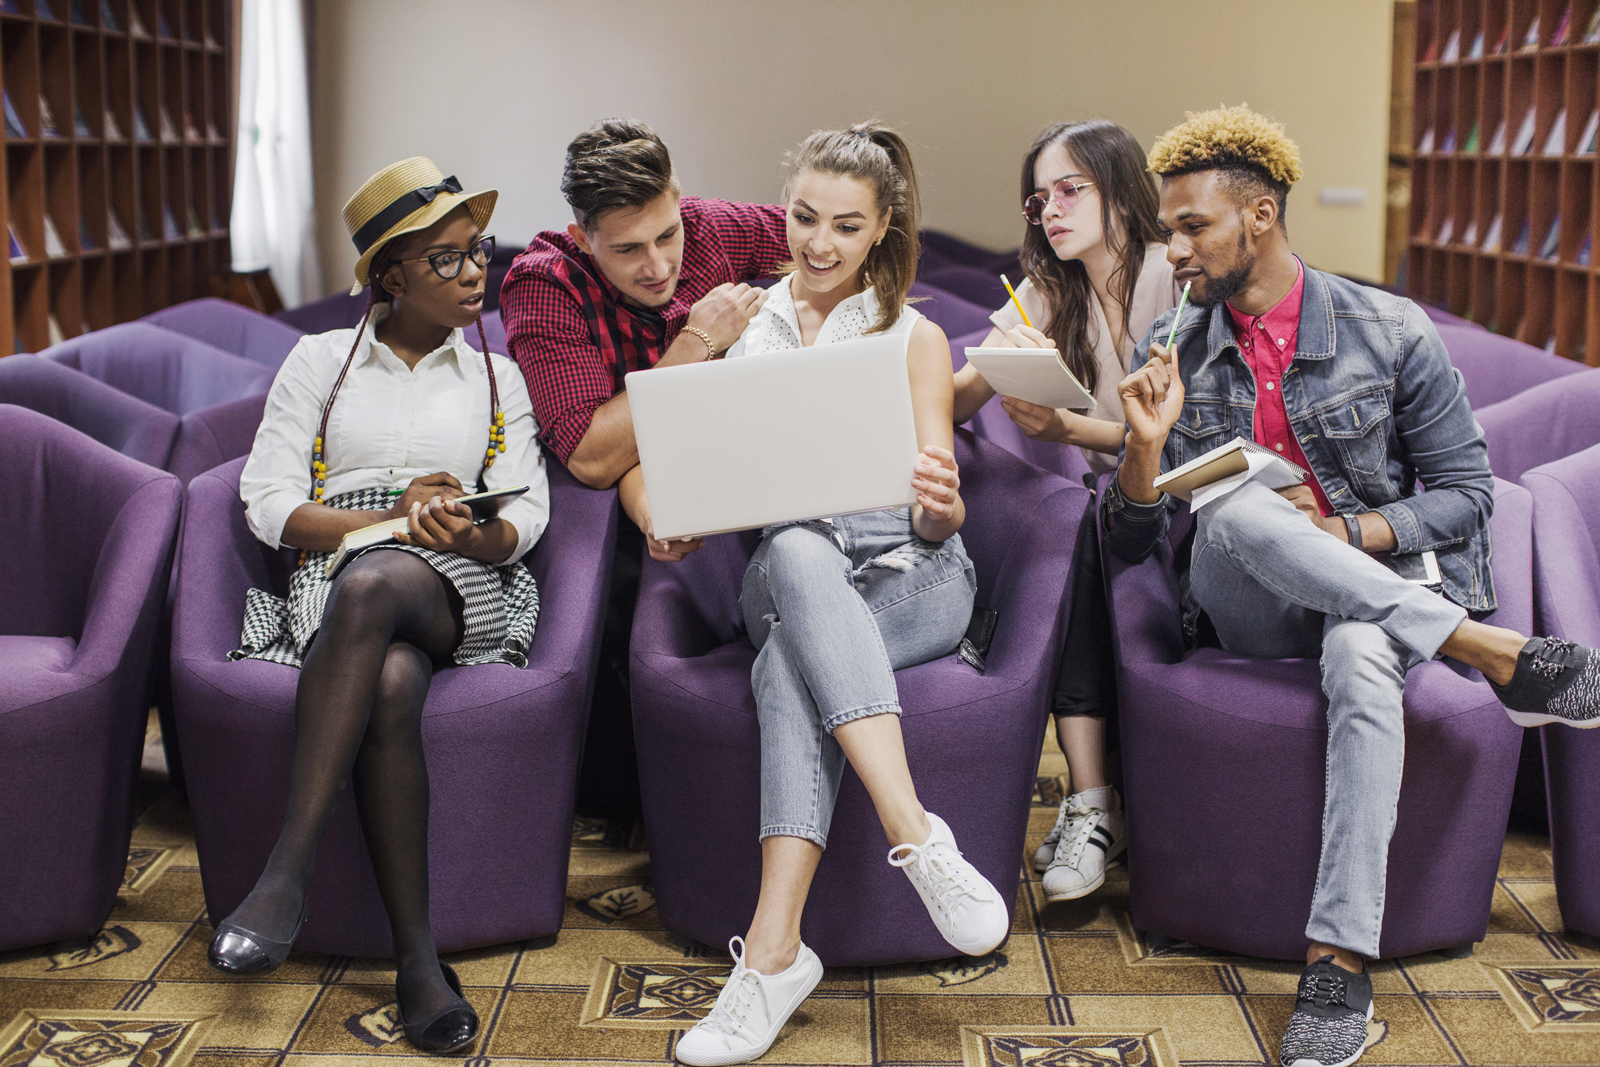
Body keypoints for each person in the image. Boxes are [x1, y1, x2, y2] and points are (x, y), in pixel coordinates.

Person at [1105, 106, 1600, 1067]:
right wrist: (1143, 447)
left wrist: (1347, 532)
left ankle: (1337, 960)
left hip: (1368, 589)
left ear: (1258, 215)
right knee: (1239, 505)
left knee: (1364, 644)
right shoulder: (1168, 349)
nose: (1173, 249)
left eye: (1191, 226)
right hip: (1243, 594)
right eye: (1167, 229)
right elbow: (1129, 542)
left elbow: (1467, 495)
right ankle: (1490, 652)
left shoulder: (1390, 327)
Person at [669, 123, 1010, 1067]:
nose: (818, 244)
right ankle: (919, 834)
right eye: (804, 217)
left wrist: (940, 507)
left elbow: (938, 517)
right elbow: (688, 471)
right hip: (786, 572)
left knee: (789, 655)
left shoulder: (917, 336)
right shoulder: (744, 330)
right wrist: (679, 516)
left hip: (916, 576)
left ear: (883, 228)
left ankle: (772, 954)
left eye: (845, 226)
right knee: (792, 540)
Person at [218, 158, 549, 1056]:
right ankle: (417, 963)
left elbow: (524, 517)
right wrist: (386, 515)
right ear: (390, 276)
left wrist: (443, 524)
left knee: (374, 586)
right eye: (447, 259)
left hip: (456, 575)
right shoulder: (320, 361)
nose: (477, 270)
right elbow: (268, 499)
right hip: (344, 558)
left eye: (477, 251)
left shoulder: (498, 377)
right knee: (392, 681)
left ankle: (287, 869)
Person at [499, 119, 789, 833]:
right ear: (581, 234)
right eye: (627, 249)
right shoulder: (543, 283)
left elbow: (836, 236)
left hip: (735, 472)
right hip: (604, 523)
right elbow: (593, 455)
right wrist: (696, 344)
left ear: (679, 200)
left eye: (667, 235)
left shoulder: (714, 228)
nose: (658, 264)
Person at [951, 120, 1178, 904]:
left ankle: (1092, 804)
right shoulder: (1052, 290)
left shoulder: (1167, 274)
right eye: (1039, 197)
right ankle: (1089, 798)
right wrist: (938, 364)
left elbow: (1183, 443)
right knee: (1069, 523)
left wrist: (1067, 426)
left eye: (1071, 189)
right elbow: (954, 399)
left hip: (1188, 495)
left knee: (1080, 521)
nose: (1051, 209)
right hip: (1116, 505)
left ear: (1122, 189)